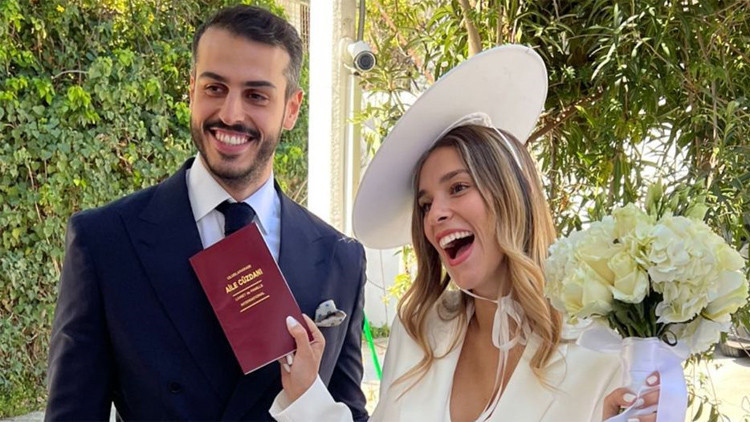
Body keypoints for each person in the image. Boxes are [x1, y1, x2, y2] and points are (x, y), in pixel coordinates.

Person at [269, 46, 661, 421]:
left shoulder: (602, 347)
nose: (435, 215)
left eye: (458, 188)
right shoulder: (419, 330)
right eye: (425, 204)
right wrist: (306, 397)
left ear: (512, 196)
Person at [45, 5, 367, 421]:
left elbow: (349, 411)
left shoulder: (340, 259)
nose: (230, 114)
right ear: (192, 89)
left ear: (291, 108)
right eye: (215, 88)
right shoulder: (104, 241)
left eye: (256, 95)